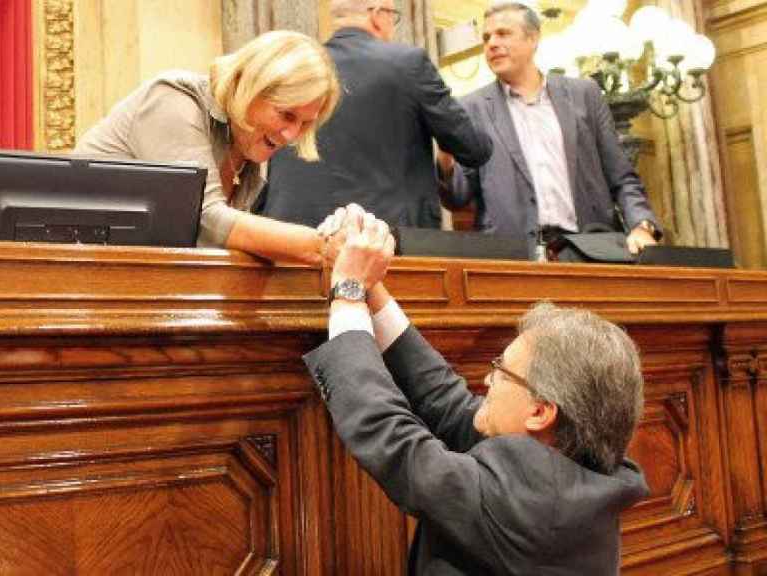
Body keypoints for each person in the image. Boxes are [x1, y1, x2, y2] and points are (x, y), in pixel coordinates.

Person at [306, 204, 649, 574]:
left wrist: (348, 289)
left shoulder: (527, 505)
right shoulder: (585, 472)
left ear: (540, 412)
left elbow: (388, 435)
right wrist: (371, 287)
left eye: (501, 371)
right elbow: (447, 402)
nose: (487, 380)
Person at [75, 30, 342, 265]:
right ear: (250, 87)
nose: (291, 135)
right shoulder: (173, 99)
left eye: (306, 123)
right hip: (75, 279)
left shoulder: (250, 138)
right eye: (287, 115)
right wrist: (326, 246)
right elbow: (205, 221)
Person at [438, 1, 662, 258]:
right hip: (512, 259)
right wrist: (445, 155)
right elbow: (457, 197)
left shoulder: (584, 94)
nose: (491, 44)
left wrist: (642, 225)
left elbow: (621, 177)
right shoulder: (471, 108)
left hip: (591, 253)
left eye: (503, 33)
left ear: (533, 39)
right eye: (486, 37)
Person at [260, 0, 492, 230]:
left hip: (291, 239)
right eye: (393, 16)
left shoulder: (296, 68)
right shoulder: (407, 64)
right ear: (378, 14)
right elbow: (474, 148)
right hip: (384, 241)